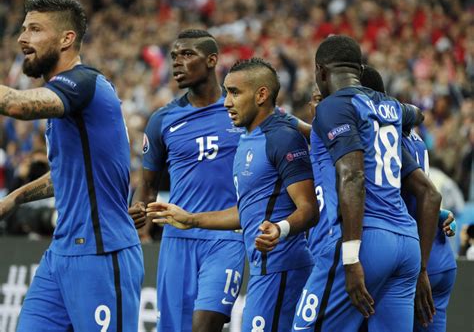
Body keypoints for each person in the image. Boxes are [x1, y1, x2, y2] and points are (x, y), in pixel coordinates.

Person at [0, 0, 144, 331]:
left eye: (35, 29)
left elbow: (18, 105)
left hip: (103, 252)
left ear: (66, 39)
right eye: (22, 29)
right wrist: (16, 197)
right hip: (61, 254)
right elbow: (65, 174)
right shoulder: (67, 101)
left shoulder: (83, 83)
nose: (23, 38)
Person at [149, 58, 318, 331]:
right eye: (227, 92)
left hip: (284, 268)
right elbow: (247, 212)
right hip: (264, 270)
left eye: (235, 93)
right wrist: (191, 219)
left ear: (262, 94)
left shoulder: (282, 137)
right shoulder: (247, 139)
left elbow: (309, 208)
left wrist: (280, 228)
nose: (227, 102)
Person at [291, 35, 422, 332]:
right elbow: (418, 114)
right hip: (405, 241)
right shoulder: (390, 106)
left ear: (320, 71)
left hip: (365, 238)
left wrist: (350, 257)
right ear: (359, 70)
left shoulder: (334, 105)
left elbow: (353, 175)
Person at [129, 29, 246, 332]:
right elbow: (148, 186)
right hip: (177, 240)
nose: (177, 63)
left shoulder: (242, 111)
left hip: (226, 235)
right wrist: (137, 214)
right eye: (173, 57)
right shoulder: (162, 120)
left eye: (187, 55)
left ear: (212, 60)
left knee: (205, 325)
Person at [361, 65, 457, 332]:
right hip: (440, 257)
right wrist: (440, 216)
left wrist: (420, 270)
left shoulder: (383, 137)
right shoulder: (412, 136)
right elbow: (414, 196)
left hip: (414, 260)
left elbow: (426, 194)